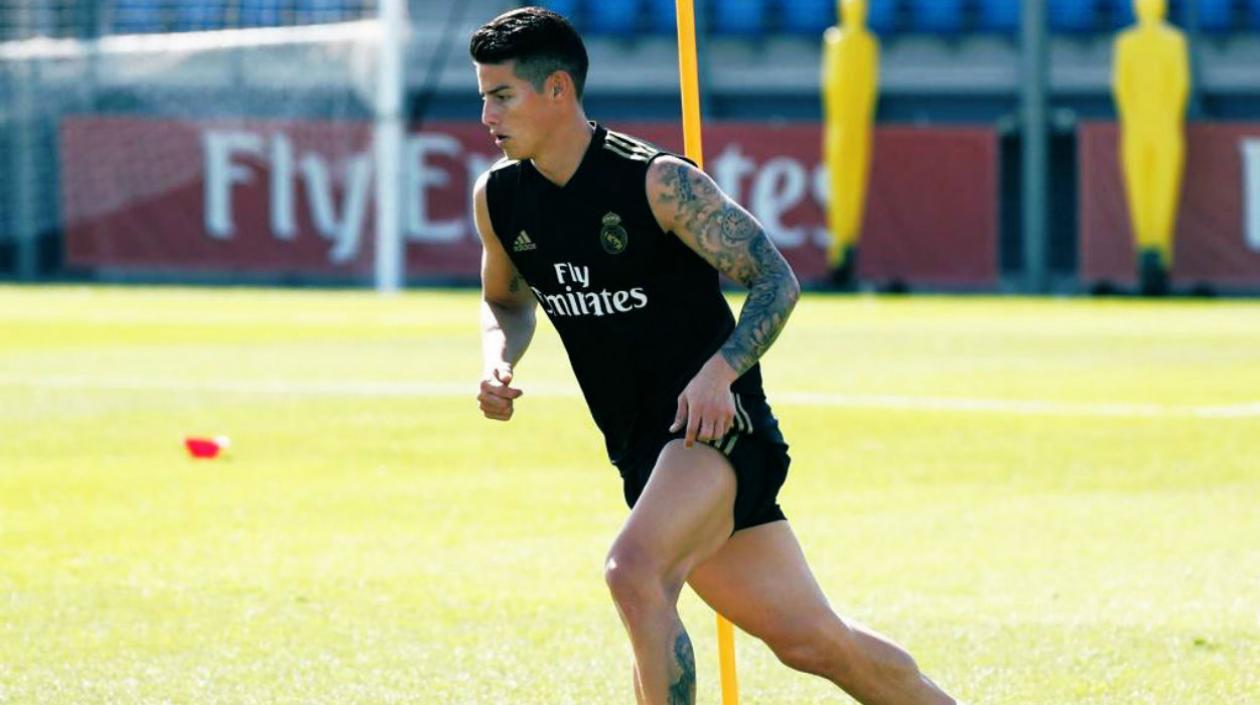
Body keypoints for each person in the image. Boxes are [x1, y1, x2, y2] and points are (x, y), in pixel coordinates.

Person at [469, 8, 957, 705]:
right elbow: (508, 301)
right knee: (815, 641)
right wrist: (498, 358)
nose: (485, 112)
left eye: (501, 94)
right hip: (643, 450)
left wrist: (719, 371)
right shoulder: (500, 199)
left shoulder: (659, 183)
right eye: (483, 94)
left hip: (715, 431)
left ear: (558, 91)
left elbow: (775, 279)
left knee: (632, 572)